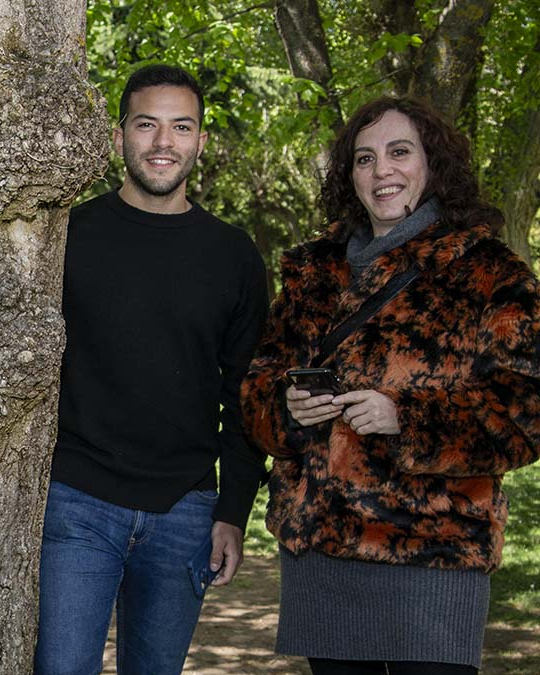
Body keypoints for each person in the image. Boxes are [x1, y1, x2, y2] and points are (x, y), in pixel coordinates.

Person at [241, 96, 540, 675]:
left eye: (399, 152)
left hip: (434, 554)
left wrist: (407, 417)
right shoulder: (312, 272)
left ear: (432, 163)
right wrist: (287, 408)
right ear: (348, 175)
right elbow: (257, 390)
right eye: (364, 158)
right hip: (322, 548)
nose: (382, 172)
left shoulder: (489, 272)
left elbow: (527, 412)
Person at [34, 64, 269, 675]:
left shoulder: (233, 254)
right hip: (76, 500)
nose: (164, 143)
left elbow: (245, 394)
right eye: (147, 125)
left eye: (181, 127)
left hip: (185, 509)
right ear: (119, 137)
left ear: (200, 141)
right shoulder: (67, 236)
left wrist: (232, 512)